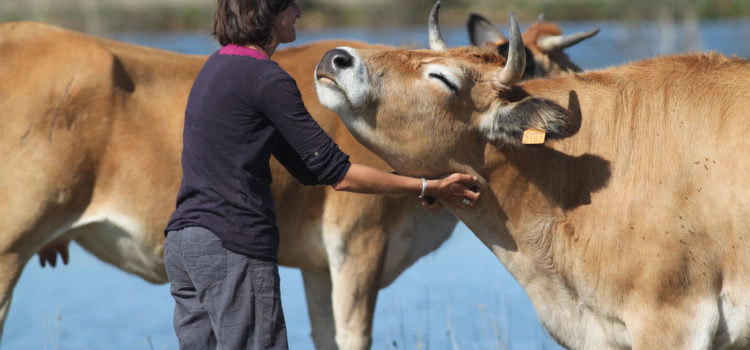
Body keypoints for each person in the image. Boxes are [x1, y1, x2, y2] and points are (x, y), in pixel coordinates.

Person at [163, 0, 481, 349]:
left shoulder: (216, 67)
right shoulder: (267, 78)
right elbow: (338, 173)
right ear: (266, 13)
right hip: (232, 244)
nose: (299, 12)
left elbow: (310, 169)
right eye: (290, 6)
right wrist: (429, 185)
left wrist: (413, 184)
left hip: (184, 245)